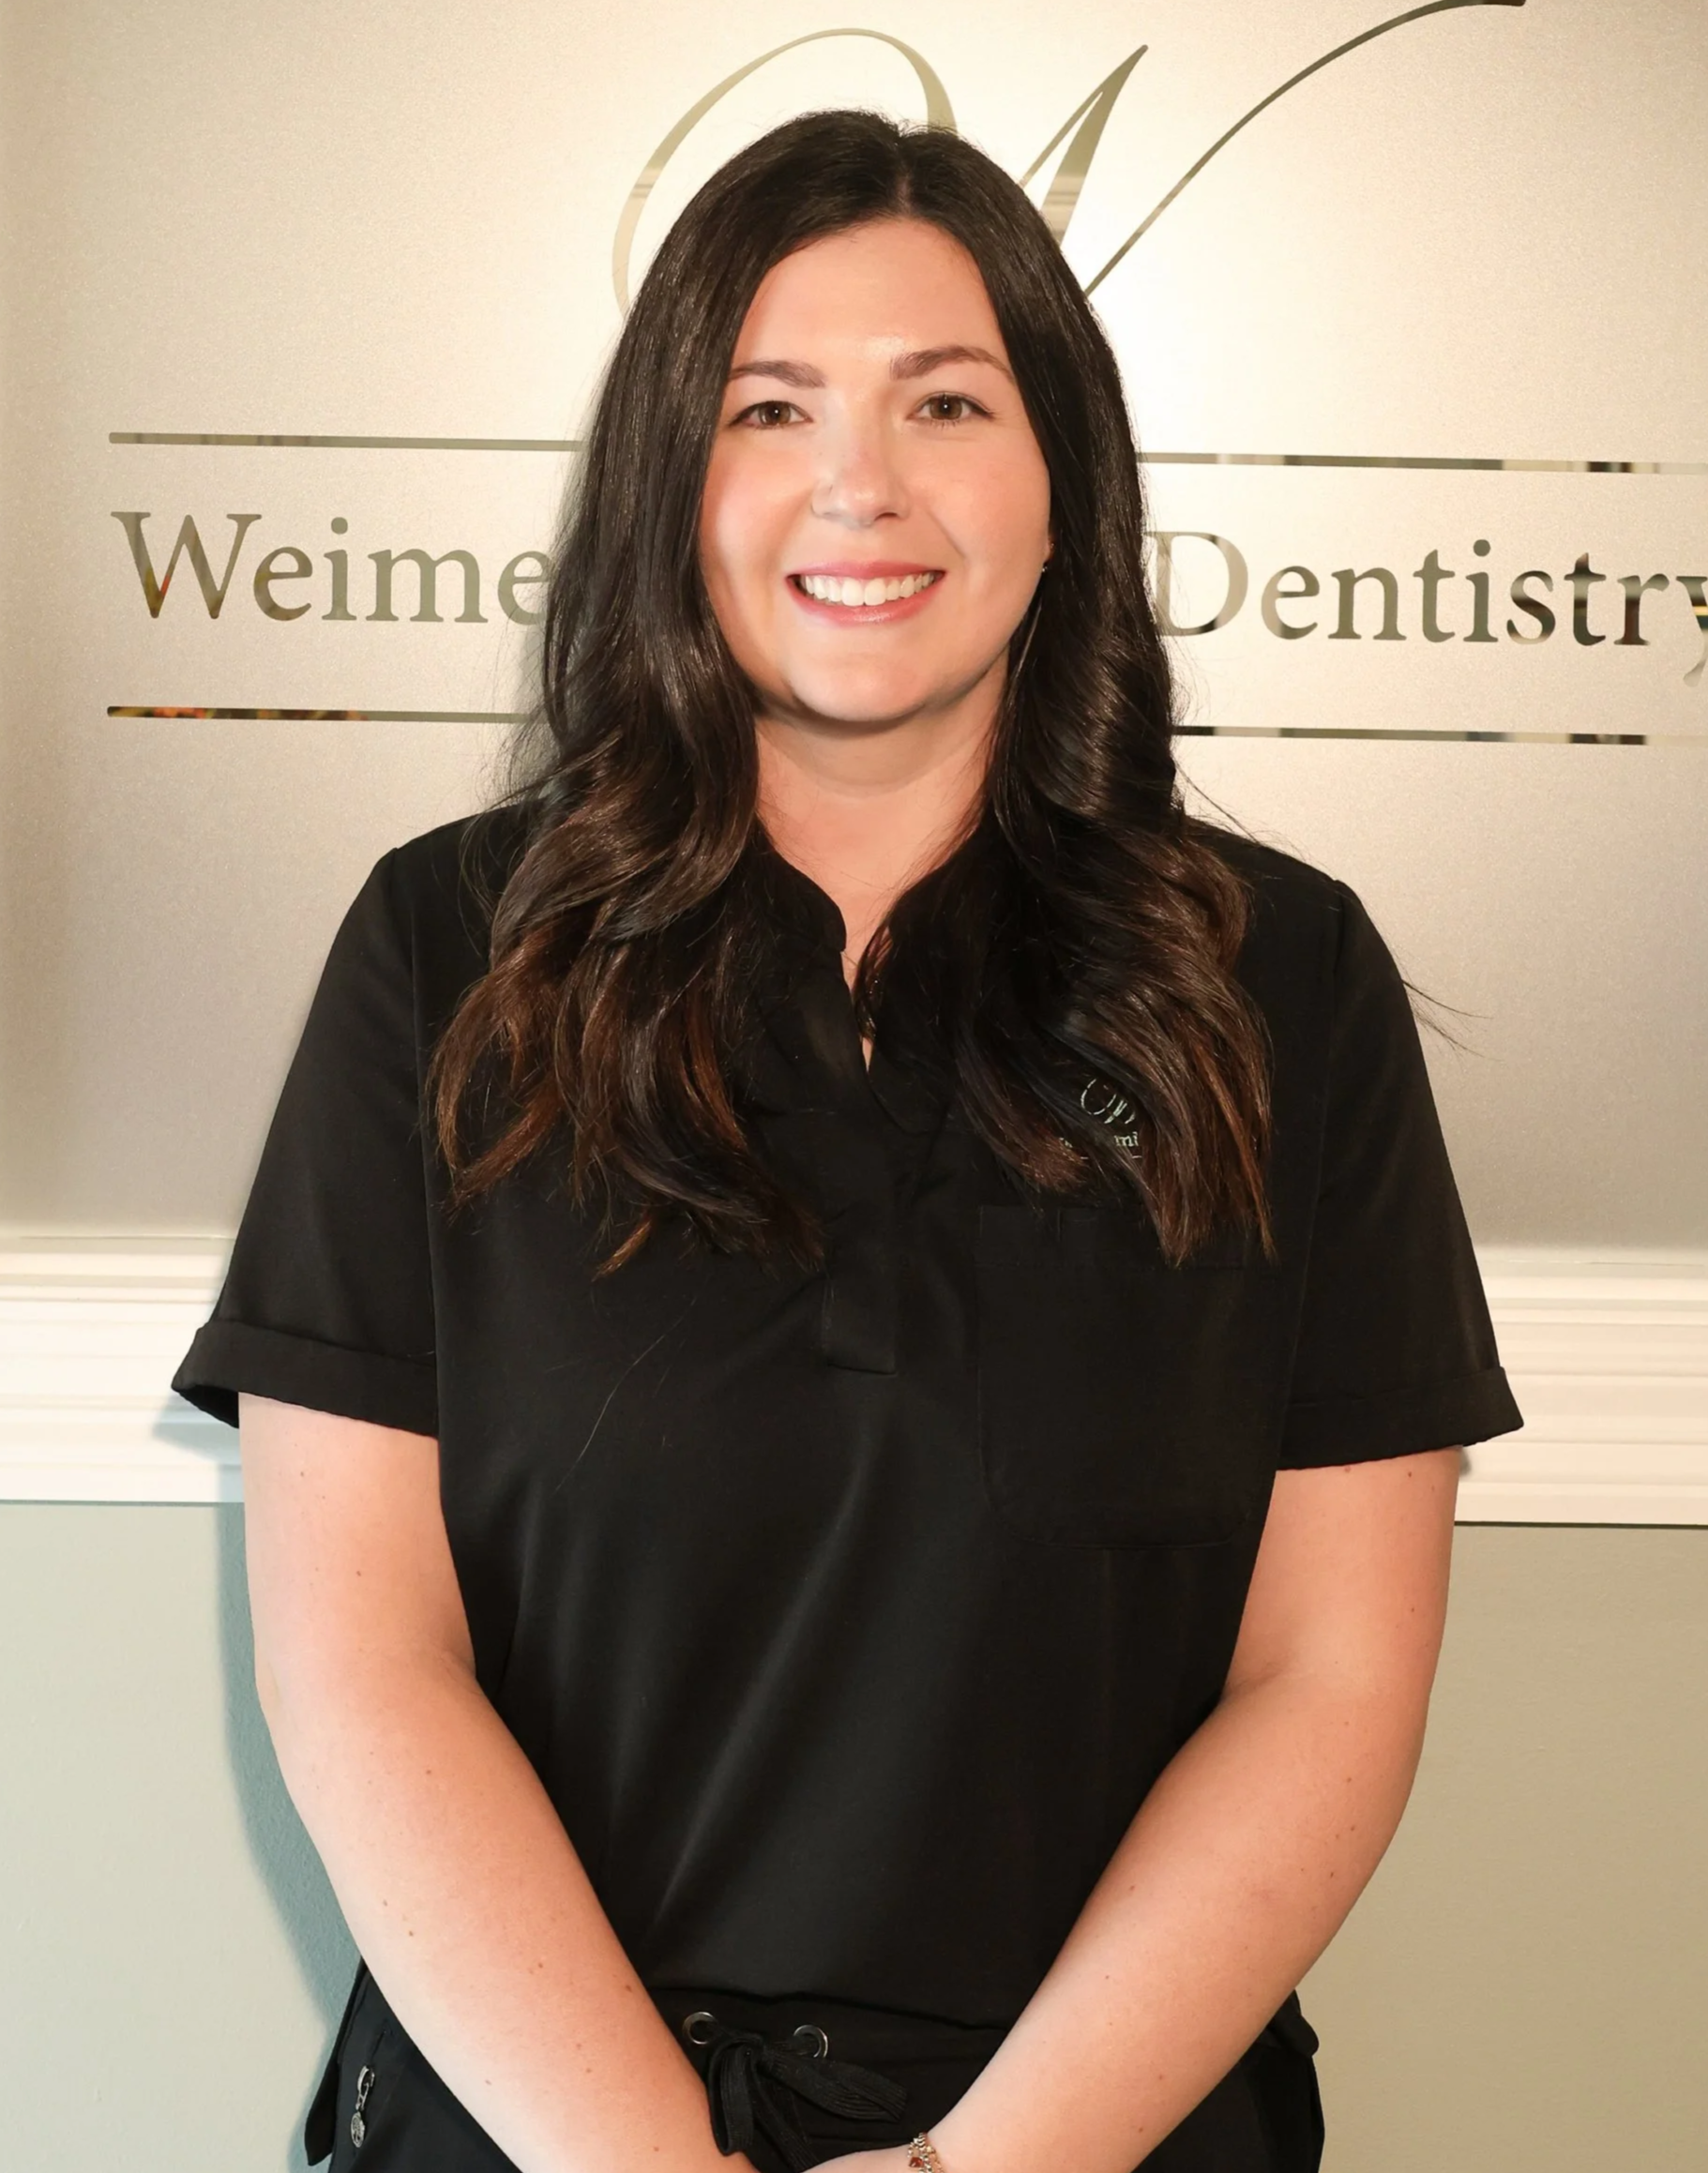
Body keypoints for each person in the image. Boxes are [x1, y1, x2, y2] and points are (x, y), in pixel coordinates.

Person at [172, 107, 1521, 2173]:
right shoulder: (447, 948)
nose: (859, 482)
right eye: (769, 406)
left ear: (1065, 482)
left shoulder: (1289, 983)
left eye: (946, 402)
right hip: (539, 2124)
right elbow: (362, 1661)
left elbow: (1327, 1685)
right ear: (670, 486)